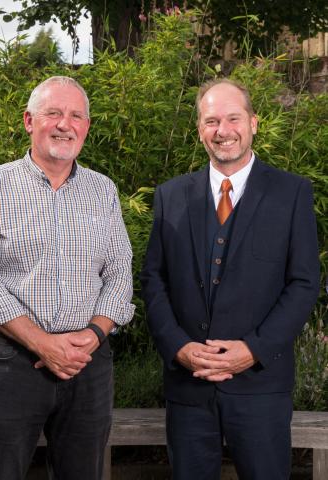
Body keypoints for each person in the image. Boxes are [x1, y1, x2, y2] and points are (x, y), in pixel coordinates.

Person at [141, 78, 320, 480]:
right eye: (211, 121)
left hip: (261, 387)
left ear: (254, 122)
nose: (223, 131)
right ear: (200, 130)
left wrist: (253, 350)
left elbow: (304, 283)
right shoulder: (170, 196)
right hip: (188, 388)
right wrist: (178, 348)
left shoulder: (291, 193)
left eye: (233, 118)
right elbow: (154, 280)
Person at [0, 76, 135, 480]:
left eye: (76, 116)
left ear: (86, 128)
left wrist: (91, 336)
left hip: (87, 363)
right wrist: (43, 343)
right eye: (53, 113)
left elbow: (119, 275)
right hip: (12, 363)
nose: (64, 124)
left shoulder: (102, 190)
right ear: (28, 121)